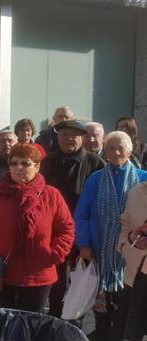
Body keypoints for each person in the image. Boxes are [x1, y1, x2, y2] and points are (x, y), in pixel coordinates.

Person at [0, 143, 75, 313]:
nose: (19, 168)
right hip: (1, 271)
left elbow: (66, 228)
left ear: (37, 166)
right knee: (4, 321)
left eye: (25, 163)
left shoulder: (51, 195)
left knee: (32, 321)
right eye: (14, 163)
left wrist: (55, 253)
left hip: (38, 273)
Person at [74, 131, 147, 341]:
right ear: (105, 151)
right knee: (102, 296)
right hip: (101, 248)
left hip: (133, 254)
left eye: (120, 148)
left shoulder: (143, 179)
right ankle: (103, 328)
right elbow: (82, 214)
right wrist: (84, 244)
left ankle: (123, 338)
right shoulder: (96, 179)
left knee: (127, 301)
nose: (115, 152)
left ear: (130, 151)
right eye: (111, 148)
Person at [40, 119, 105, 319]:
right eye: (64, 134)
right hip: (52, 230)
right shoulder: (48, 161)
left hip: (83, 231)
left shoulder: (96, 163)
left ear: (82, 137)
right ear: (57, 137)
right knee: (55, 276)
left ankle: (76, 319)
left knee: (81, 278)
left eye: (74, 135)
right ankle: (55, 315)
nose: (69, 139)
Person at [118, 183, 147, 341]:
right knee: (127, 330)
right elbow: (126, 224)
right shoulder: (137, 191)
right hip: (135, 275)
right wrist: (130, 240)